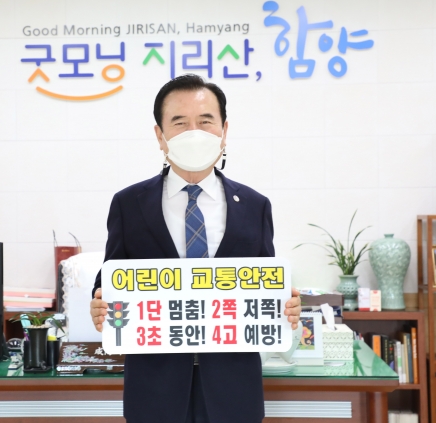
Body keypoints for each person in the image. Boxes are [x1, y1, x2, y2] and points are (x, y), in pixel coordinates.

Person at [89, 74, 301, 423]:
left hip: (233, 390)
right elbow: (110, 281)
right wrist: (100, 305)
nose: (194, 133)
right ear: (160, 135)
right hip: (154, 390)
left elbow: (266, 284)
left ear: (224, 131)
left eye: (205, 121)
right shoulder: (129, 204)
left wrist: (286, 305)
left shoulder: (255, 205)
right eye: (180, 123)